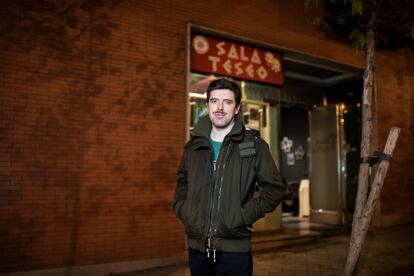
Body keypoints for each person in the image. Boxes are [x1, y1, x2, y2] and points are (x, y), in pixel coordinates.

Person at [173, 78, 285, 276]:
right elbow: (183, 180)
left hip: (235, 252)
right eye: (214, 101)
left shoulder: (253, 145)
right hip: (197, 249)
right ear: (207, 105)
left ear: (237, 108)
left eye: (227, 102)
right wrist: (183, 209)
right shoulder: (194, 147)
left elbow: (275, 189)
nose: (220, 107)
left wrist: (242, 216)